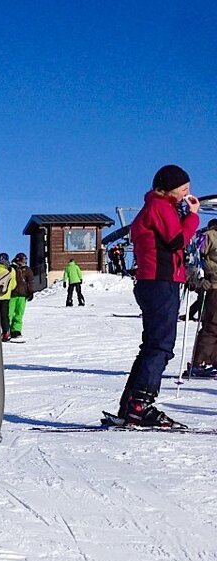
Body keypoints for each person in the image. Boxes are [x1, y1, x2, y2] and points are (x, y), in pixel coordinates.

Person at [117, 164, 202, 426]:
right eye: (183, 189)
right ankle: (140, 404)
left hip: (155, 281)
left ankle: (131, 406)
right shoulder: (160, 206)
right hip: (159, 282)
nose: (187, 193)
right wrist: (194, 216)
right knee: (161, 345)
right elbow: (176, 240)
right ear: (168, 189)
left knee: (152, 345)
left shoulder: (160, 206)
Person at [188, 219, 217, 377]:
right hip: (214, 287)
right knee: (212, 325)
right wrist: (197, 279)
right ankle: (200, 362)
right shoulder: (209, 237)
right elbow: (193, 258)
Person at [9, 253, 34, 340]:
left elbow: (30, 281)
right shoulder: (12, 268)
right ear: (18, 259)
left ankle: (16, 330)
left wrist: (30, 292)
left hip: (23, 294)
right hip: (12, 294)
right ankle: (7, 330)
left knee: (19, 313)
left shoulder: (27, 270)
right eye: (23, 260)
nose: (24, 262)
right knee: (9, 313)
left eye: (25, 260)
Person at [0, 253, 16, 342]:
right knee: (4, 315)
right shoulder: (12, 270)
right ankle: (6, 333)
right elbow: (13, 285)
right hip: (6, 296)